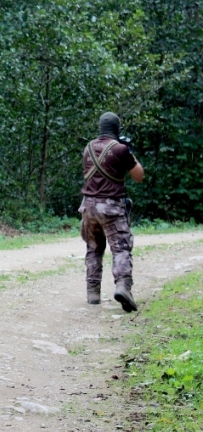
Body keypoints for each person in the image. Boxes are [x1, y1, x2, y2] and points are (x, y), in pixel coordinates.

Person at [79, 112, 144, 312]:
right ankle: (123, 286)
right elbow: (139, 176)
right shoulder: (121, 149)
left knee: (94, 248)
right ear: (117, 128)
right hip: (111, 207)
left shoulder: (88, 148)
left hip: (88, 207)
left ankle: (92, 292)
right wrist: (129, 152)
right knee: (121, 249)